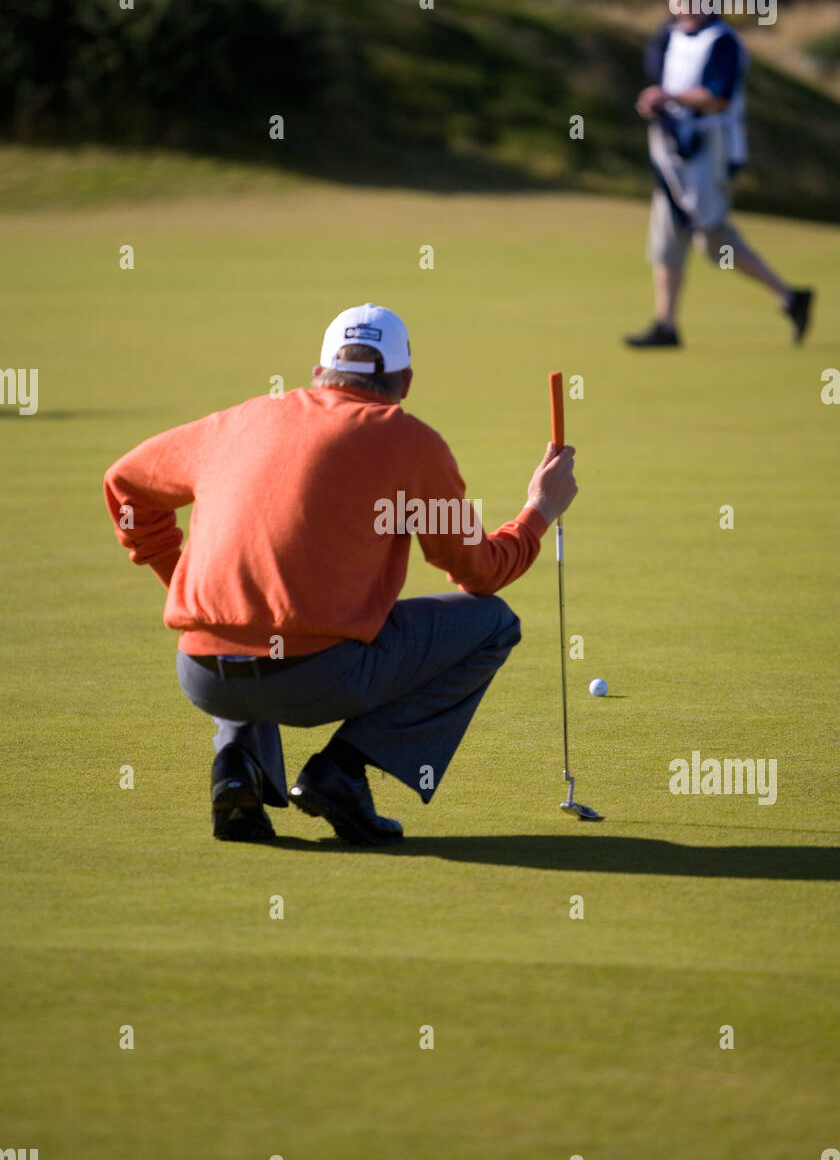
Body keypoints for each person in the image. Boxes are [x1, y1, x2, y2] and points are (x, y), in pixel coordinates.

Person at [103, 304, 578, 846]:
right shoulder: (411, 444)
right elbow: (481, 574)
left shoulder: (240, 418)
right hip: (317, 679)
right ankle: (343, 771)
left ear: (318, 372)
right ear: (404, 380)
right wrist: (539, 510)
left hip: (203, 673)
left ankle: (238, 768)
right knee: (492, 623)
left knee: (254, 622)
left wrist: (186, 581)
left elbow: (124, 484)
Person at [626, 0, 813, 349]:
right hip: (670, 144)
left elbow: (717, 97)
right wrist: (655, 104)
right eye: (682, 0)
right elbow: (661, 82)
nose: (689, 7)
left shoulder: (723, 41)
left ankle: (790, 297)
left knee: (712, 238)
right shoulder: (667, 34)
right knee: (667, 233)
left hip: (709, 149)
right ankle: (666, 324)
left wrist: (670, 98)